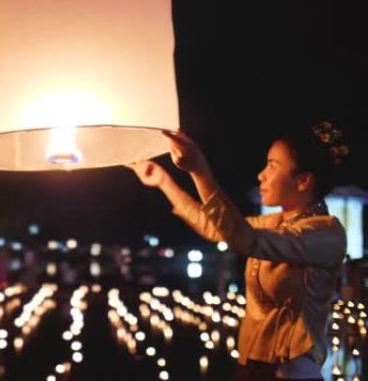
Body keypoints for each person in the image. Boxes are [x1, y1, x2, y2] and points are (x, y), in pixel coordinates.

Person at [127, 122, 348, 381]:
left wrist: (200, 170)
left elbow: (244, 240)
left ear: (303, 181)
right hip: (253, 365)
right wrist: (164, 181)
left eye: (272, 165)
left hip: (290, 371)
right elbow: (218, 228)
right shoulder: (275, 224)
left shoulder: (325, 234)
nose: (261, 175)